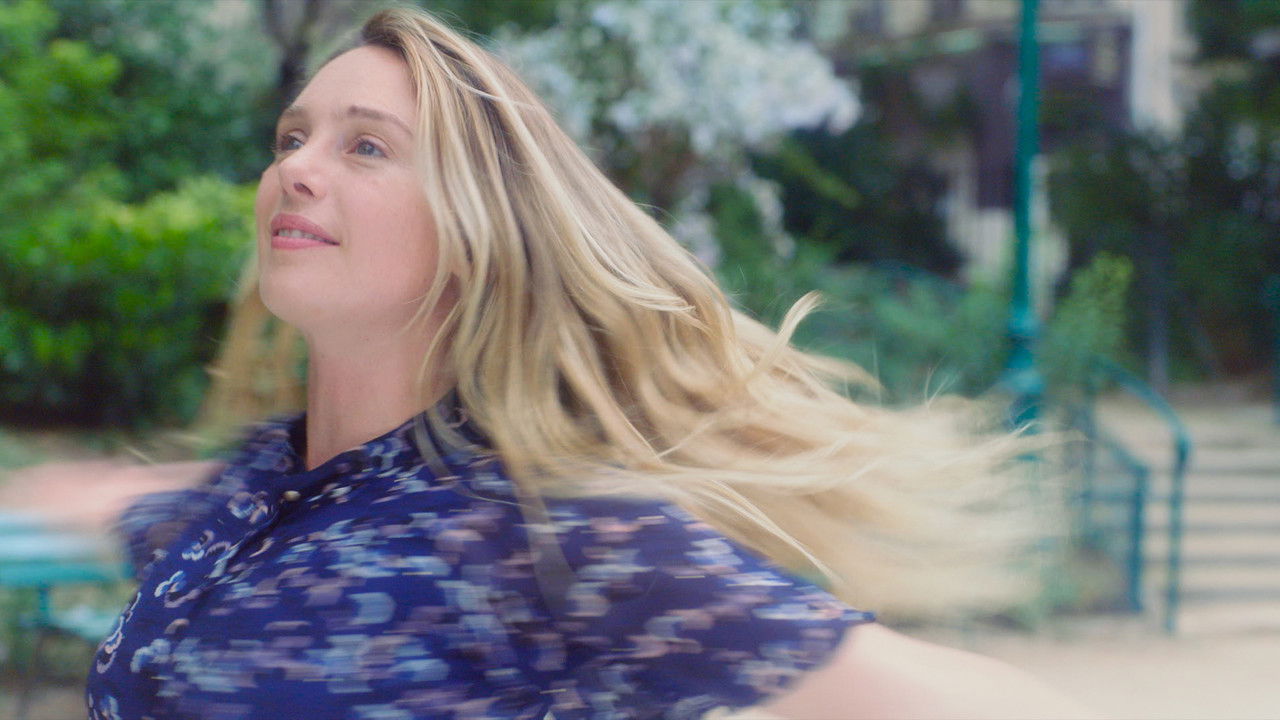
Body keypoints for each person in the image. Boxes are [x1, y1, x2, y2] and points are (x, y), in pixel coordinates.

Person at [82, 7, 1096, 719]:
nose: (295, 167)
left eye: (367, 148)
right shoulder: (257, 482)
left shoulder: (543, 537)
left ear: (472, 232)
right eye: (292, 137)